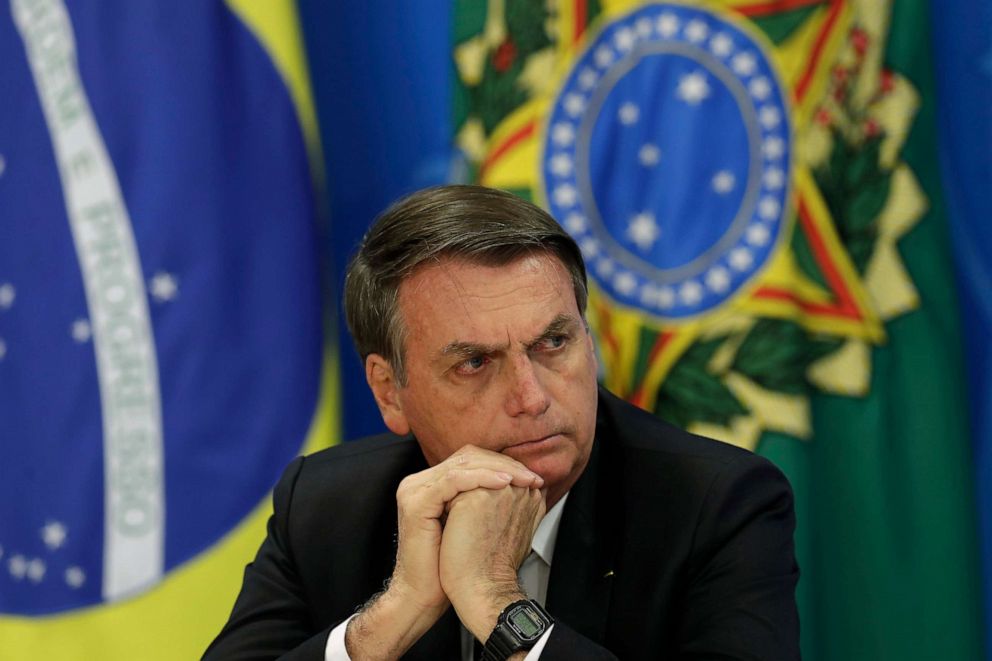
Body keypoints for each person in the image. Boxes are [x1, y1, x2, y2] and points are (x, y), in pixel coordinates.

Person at [205, 185, 799, 660]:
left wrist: (497, 603)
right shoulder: (327, 507)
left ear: (588, 342)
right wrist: (393, 617)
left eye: (553, 343)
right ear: (390, 392)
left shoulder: (715, 505)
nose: (531, 397)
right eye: (474, 362)